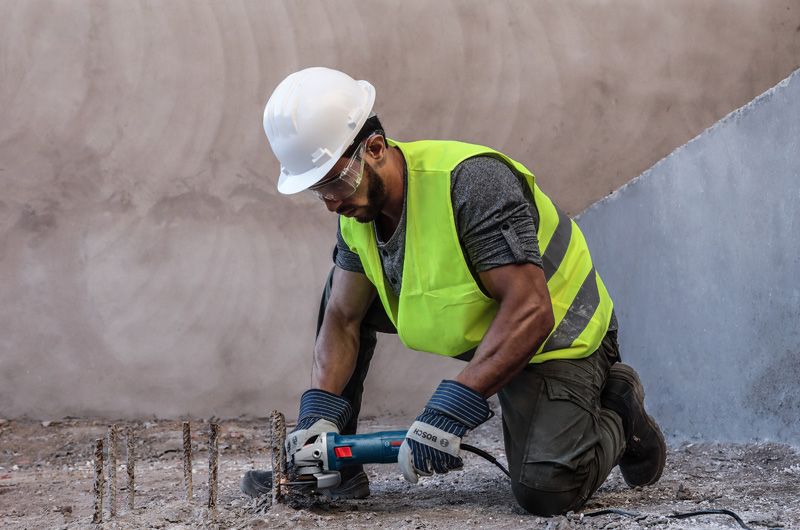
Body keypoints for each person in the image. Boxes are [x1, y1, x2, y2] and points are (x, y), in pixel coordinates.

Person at [243, 66, 666, 516]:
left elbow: (530, 310)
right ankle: (334, 468)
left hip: (558, 332)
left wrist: (451, 409)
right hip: (487, 322)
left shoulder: (473, 183)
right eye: (317, 190)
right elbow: (343, 318)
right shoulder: (357, 208)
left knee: (547, 491)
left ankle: (621, 408)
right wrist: (318, 418)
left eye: (336, 182)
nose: (331, 203)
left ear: (375, 148)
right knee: (340, 294)